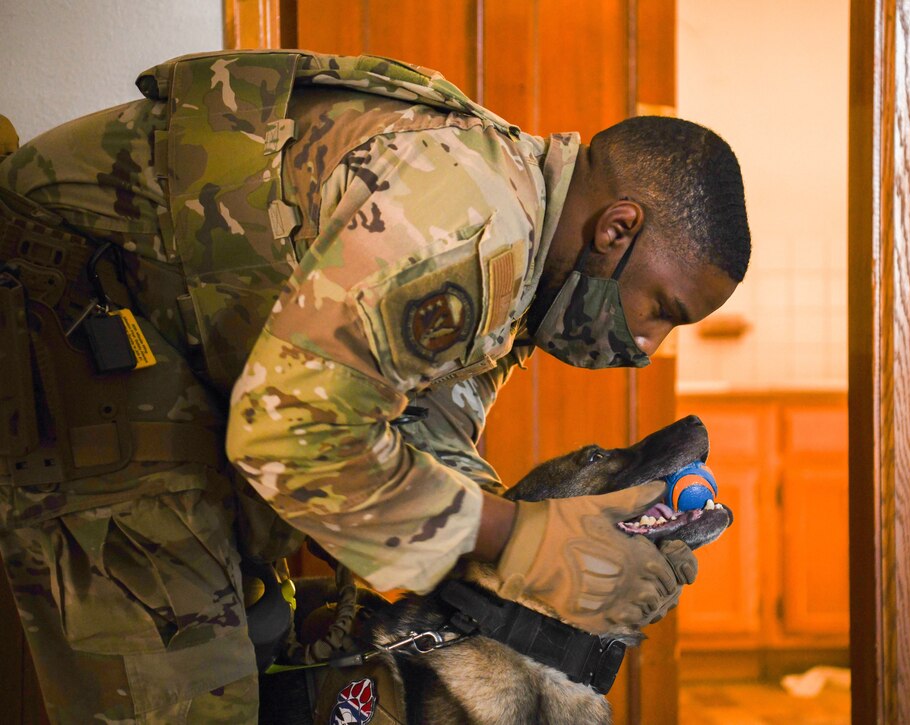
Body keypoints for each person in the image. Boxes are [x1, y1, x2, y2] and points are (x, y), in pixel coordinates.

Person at [0, 50, 749, 723]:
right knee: (187, 682)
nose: (648, 347)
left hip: (170, 339)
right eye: (662, 311)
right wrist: (521, 538)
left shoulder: (522, 269)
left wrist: (564, 561)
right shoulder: (462, 223)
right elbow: (289, 436)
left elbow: (420, 432)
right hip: (68, 304)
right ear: (617, 230)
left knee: (259, 618)